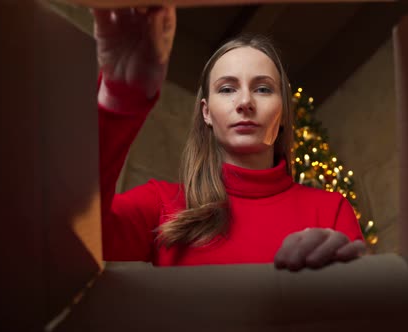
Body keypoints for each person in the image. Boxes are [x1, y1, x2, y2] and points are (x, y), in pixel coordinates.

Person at [93, 3, 366, 272]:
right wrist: (120, 97)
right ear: (206, 113)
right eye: (226, 89)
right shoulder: (161, 204)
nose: (245, 102)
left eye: (262, 89)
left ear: (283, 113)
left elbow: (370, 312)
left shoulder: (331, 210)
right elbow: (77, 230)